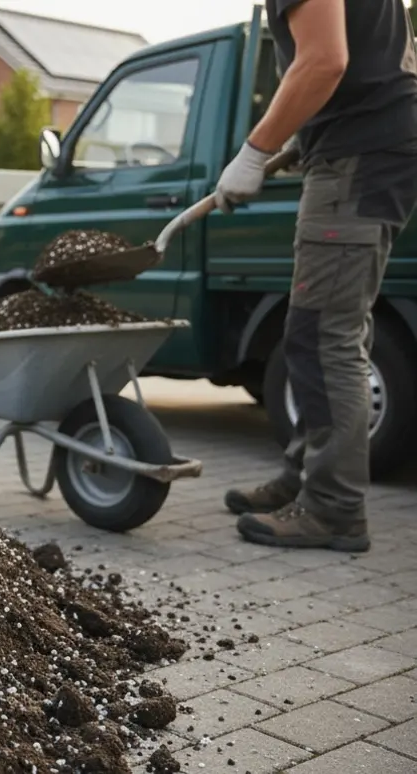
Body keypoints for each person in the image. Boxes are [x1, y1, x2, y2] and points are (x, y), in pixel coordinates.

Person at [218, 0, 417, 552]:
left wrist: (254, 151)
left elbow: (325, 60)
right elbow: (374, 62)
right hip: (365, 150)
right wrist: (300, 131)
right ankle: (307, 475)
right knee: (322, 329)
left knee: (324, 334)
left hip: (359, 159)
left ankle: (333, 508)